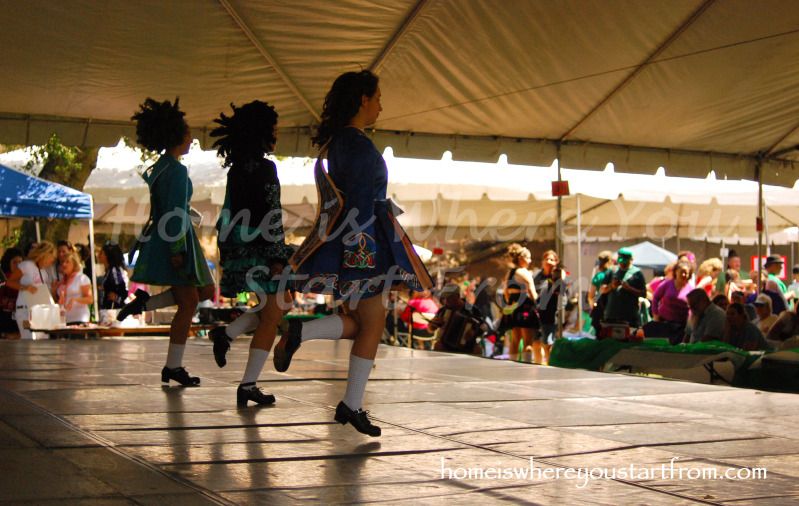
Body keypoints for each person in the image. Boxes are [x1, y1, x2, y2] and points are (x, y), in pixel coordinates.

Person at [274, 70, 433, 437]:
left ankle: (308, 339)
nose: (381, 104)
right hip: (365, 244)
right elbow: (360, 202)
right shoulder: (357, 145)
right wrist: (360, 254)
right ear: (362, 99)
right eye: (377, 96)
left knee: (364, 323)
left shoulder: (340, 142)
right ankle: (349, 401)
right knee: (373, 323)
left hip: (355, 240)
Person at [206, 100, 296, 407]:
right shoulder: (267, 168)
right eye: (274, 128)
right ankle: (246, 382)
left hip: (238, 247)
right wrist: (277, 258)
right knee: (275, 311)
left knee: (275, 309)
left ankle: (228, 337)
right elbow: (271, 213)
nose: (276, 133)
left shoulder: (236, 170)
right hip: (262, 249)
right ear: (263, 132)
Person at [120, 97, 215, 386]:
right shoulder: (176, 170)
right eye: (187, 133)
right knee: (190, 303)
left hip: (167, 235)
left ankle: (144, 306)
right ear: (176, 136)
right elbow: (175, 213)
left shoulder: (162, 167)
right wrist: (178, 250)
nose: (191, 138)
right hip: (176, 238)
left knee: (203, 292)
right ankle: (173, 366)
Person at [504, 244, 540, 361]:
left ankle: (512, 364)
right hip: (525, 307)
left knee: (515, 339)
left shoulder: (510, 273)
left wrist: (511, 304)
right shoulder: (525, 273)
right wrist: (538, 306)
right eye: (528, 258)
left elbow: (506, 292)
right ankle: (527, 365)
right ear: (521, 258)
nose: (530, 261)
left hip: (513, 307)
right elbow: (533, 293)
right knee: (527, 341)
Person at [15, 241, 58, 339]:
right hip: (25, 310)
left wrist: (53, 290)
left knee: (42, 343)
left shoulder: (44, 273)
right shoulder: (26, 265)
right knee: (29, 340)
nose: (52, 261)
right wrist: (25, 287)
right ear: (45, 254)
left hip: (40, 313)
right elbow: (9, 282)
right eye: (52, 257)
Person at [427, 284, 484, 354]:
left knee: (477, 349)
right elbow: (430, 329)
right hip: (445, 346)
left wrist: (474, 332)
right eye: (444, 298)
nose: (446, 301)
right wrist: (431, 326)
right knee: (437, 346)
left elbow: (484, 327)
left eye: (449, 298)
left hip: (466, 347)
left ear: (458, 296)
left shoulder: (473, 310)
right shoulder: (444, 310)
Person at [648, 261, 693, 343]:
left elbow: (693, 308)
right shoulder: (667, 284)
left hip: (681, 326)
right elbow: (655, 298)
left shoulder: (691, 289)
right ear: (676, 272)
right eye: (682, 272)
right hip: (664, 322)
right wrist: (655, 315)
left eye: (686, 273)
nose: (684, 275)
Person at [603, 248, 646, 328]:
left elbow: (643, 293)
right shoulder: (611, 271)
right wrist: (612, 286)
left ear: (631, 260)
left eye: (625, 262)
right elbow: (602, 290)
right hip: (611, 315)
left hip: (630, 316)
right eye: (621, 262)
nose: (622, 264)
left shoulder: (637, 273)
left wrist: (629, 288)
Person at [536, 261, 568, 363]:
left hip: (555, 318)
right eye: (556, 272)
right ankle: (549, 361)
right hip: (547, 317)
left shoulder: (561, 285)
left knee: (551, 341)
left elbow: (564, 301)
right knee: (547, 342)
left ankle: (551, 361)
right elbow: (541, 301)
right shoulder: (547, 284)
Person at [55, 252, 93, 325]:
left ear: (74, 264)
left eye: (67, 262)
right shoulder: (62, 281)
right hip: (64, 320)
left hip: (79, 319)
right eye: (62, 262)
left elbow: (90, 299)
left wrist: (74, 300)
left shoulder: (82, 278)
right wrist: (54, 290)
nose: (64, 264)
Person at [588, 250, 614, 335]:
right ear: (611, 261)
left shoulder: (598, 276)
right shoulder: (616, 274)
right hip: (613, 313)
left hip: (600, 312)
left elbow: (590, 296)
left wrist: (593, 304)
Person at [0, 247, 24, 339]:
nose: (18, 265)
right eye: (14, 262)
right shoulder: (4, 278)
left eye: (20, 262)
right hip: (6, 319)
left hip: (20, 319)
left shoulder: (26, 278)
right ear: (8, 263)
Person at [98, 241, 128, 310]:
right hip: (108, 309)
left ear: (107, 255)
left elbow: (121, 289)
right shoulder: (109, 271)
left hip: (114, 310)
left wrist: (116, 298)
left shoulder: (115, 270)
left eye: (101, 253)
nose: (99, 255)